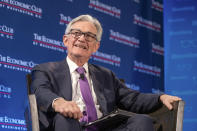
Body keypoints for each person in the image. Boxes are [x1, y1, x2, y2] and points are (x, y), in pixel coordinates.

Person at [30, 14, 181, 131]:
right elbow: (39, 91)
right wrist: (59, 102)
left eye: (89, 36)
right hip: (69, 125)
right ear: (66, 40)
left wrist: (160, 97)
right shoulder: (44, 70)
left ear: (96, 46)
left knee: (142, 121)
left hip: (105, 127)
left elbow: (132, 98)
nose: (82, 38)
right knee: (65, 119)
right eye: (76, 33)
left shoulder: (106, 75)